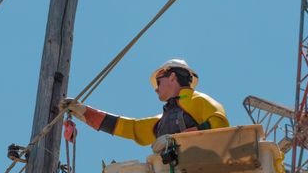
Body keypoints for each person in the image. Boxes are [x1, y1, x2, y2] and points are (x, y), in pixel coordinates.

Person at [60, 59, 229, 146]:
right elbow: (130, 128)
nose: (156, 89)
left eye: (158, 81)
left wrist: (195, 132)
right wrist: (85, 113)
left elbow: (220, 122)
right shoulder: (163, 121)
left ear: (172, 77)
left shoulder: (197, 100)